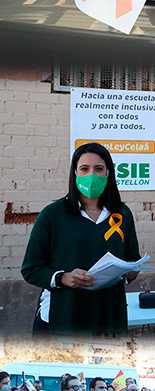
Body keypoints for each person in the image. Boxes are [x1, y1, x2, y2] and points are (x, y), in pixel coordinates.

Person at [21, 142, 141, 336]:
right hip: (64, 315)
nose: (91, 175)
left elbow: (131, 259)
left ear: (108, 173)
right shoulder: (53, 215)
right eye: (84, 169)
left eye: (99, 169)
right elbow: (31, 269)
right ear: (75, 174)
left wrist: (130, 271)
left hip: (109, 314)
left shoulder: (122, 214)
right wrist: (64, 278)